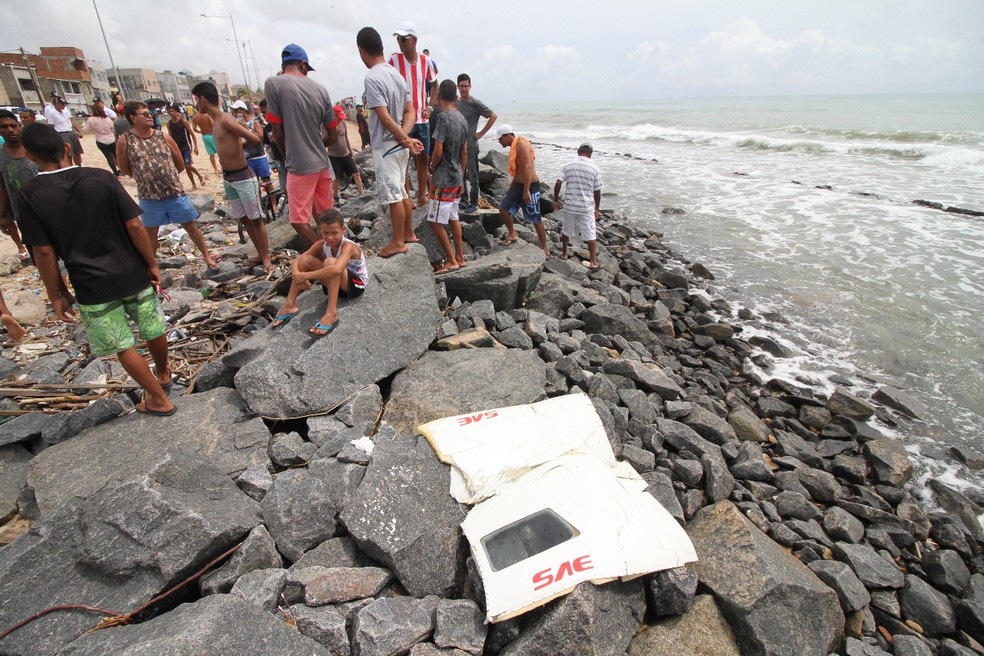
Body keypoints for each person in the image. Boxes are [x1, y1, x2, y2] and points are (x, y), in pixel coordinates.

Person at [18, 123, 175, 416]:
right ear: (67, 148)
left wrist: (57, 292)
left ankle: (158, 397)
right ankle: (164, 374)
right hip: (131, 270)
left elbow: (43, 251)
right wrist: (151, 263)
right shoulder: (101, 177)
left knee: (121, 342)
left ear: (29, 156)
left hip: (91, 283)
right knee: (151, 326)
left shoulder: (30, 194)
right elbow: (135, 224)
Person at [116, 100, 219, 270]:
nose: (150, 116)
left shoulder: (162, 136)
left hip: (174, 193)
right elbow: (125, 167)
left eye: (150, 113)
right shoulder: (125, 140)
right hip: (149, 196)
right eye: (145, 114)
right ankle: (152, 265)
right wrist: (145, 176)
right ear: (133, 117)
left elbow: (179, 162)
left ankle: (207, 256)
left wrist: (167, 176)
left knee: (190, 226)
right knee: (150, 232)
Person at [263, 43, 341, 248]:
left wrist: (288, 155)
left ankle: (326, 259)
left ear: (283, 64)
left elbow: (277, 131)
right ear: (303, 65)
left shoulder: (274, 84)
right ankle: (335, 253)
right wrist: (316, 145)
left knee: (298, 220)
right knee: (325, 217)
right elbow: (333, 134)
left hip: (299, 164)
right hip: (322, 162)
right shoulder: (321, 89)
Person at [357, 26, 424, 258]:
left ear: (362, 51)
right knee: (403, 192)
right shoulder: (397, 75)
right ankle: (408, 233)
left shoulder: (373, 77)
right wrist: (405, 138)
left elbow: (384, 117)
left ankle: (397, 241)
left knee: (394, 195)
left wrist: (403, 138)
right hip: (399, 144)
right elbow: (410, 110)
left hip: (386, 145)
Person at [192, 81, 272, 272]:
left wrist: (238, 148)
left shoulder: (225, 119)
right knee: (244, 218)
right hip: (229, 178)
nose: (196, 104)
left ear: (203, 99)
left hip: (243, 175)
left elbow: (254, 139)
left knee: (256, 219)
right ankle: (260, 254)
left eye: (196, 100)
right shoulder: (216, 121)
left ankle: (266, 256)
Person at [271, 209, 366, 337]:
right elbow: (297, 261)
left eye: (334, 233)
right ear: (320, 229)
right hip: (334, 286)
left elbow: (337, 269)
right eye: (325, 233)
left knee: (330, 262)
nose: (330, 237)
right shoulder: (321, 244)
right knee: (305, 260)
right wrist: (298, 276)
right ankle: (289, 304)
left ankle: (331, 313)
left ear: (343, 230)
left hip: (355, 286)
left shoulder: (348, 246)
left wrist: (306, 276)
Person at [390, 21, 436, 208]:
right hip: (404, 122)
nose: (400, 42)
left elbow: (434, 84)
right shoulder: (394, 60)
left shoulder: (426, 62)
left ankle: (421, 195)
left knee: (423, 158)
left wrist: (431, 106)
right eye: (398, 39)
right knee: (404, 159)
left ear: (414, 40)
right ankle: (406, 196)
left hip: (422, 120)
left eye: (404, 39)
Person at [426, 80, 468, 273]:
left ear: (439, 97)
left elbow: (438, 150)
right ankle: (460, 256)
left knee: (434, 221)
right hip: (456, 176)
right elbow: (465, 152)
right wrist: (461, 172)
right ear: (456, 97)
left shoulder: (443, 118)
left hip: (443, 178)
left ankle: (451, 260)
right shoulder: (462, 119)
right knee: (453, 216)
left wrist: (432, 168)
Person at [495, 124, 548, 258]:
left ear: (508, 136)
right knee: (503, 209)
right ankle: (512, 234)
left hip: (530, 186)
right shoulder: (513, 146)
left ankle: (545, 248)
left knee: (535, 217)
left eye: (500, 139)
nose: (499, 141)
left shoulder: (522, 143)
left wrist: (526, 191)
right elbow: (518, 169)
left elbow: (528, 167)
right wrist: (512, 186)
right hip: (518, 184)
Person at [554, 143, 603, 270]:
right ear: (590, 153)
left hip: (570, 205)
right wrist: (597, 208)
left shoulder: (568, 165)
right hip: (586, 207)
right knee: (590, 233)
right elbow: (597, 191)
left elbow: (558, 182)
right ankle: (593, 262)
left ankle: (564, 254)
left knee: (566, 229)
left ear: (578, 152)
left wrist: (556, 200)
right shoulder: (595, 169)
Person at [455, 74, 496, 213]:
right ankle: (464, 200)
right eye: (461, 86)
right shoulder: (456, 102)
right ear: (457, 87)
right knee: (460, 174)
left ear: (470, 86)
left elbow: (493, 116)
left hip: (471, 145)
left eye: (466, 86)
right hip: (458, 145)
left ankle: (473, 203)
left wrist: (480, 134)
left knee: (473, 177)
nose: (464, 89)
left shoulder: (475, 103)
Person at [0, 110, 34, 261]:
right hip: (22, 214)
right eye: (4, 127)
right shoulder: (1, 156)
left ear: (19, 125)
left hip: (47, 208)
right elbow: (3, 187)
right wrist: (2, 215)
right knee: (38, 254)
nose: (10, 130)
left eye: (13, 126)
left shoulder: (34, 149)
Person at [231, 100, 274, 196]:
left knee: (267, 182)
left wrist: (248, 130)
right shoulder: (236, 126)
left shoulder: (253, 123)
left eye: (236, 110)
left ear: (242, 110)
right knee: (254, 186)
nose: (234, 113)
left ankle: (274, 206)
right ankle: (260, 205)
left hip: (258, 157)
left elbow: (261, 137)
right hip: (246, 159)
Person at [326, 104, 365, 202]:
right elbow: (324, 141)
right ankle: (335, 197)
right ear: (333, 115)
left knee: (356, 173)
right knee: (336, 178)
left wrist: (351, 152)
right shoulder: (327, 126)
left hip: (346, 154)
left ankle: (362, 194)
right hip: (333, 156)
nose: (340, 119)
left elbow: (346, 138)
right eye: (338, 117)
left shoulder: (343, 124)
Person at [166, 103, 205, 190]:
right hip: (177, 148)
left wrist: (195, 146)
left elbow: (192, 134)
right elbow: (170, 137)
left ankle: (200, 176)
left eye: (172, 111)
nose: (171, 113)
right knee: (186, 168)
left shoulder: (183, 122)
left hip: (186, 146)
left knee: (187, 165)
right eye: (169, 112)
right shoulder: (169, 124)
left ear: (176, 112)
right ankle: (194, 184)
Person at [44, 93, 83, 166]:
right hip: (62, 134)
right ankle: (70, 168)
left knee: (77, 152)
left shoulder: (65, 111)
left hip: (70, 132)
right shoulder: (52, 113)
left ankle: (79, 167)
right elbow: (51, 126)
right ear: (57, 104)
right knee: (68, 154)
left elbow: (71, 121)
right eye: (62, 104)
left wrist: (78, 131)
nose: (64, 106)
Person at [85, 100, 121, 175]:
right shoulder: (107, 119)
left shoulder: (91, 119)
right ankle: (122, 170)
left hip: (101, 140)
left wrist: (83, 126)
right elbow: (112, 129)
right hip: (111, 139)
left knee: (109, 157)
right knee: (116, 155)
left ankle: (116, 173)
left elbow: (87, 130)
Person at [258, 99, 286, 195]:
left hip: (290, 160)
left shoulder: (284, 124)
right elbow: (268, 146)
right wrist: (272, 163)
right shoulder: (267, 128)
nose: (264, 115)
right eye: (262, 113)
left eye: (265, 112)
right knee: (284, 186)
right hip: (279, 161)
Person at [191, 105, 221, 174]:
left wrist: (200, 131)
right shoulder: (207, 115)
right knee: (220, 153)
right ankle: (223, 167)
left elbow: (194, 129)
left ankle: (215, 169)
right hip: (211, 135)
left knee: (211, 154)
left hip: (204, 136)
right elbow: (212, 124)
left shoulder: (194, 118)